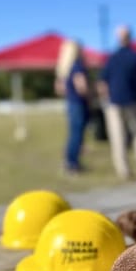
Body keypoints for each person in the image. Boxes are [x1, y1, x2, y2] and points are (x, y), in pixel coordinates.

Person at [99, 25, 136, 179]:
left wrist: (106, 98)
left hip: (115, 103)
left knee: (118, 137)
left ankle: (124, 171)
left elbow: (103, 83)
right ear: (130, 37)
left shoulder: (111, 58)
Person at [55, 39, 90, 175]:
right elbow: (82, 86)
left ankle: (69, 161)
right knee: (77, 134)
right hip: (79, 104)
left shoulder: (64, 69)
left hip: (70, 103)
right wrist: (89, 94)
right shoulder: (78, 66)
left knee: (72, 134)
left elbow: (59, 89)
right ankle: (73, 164)